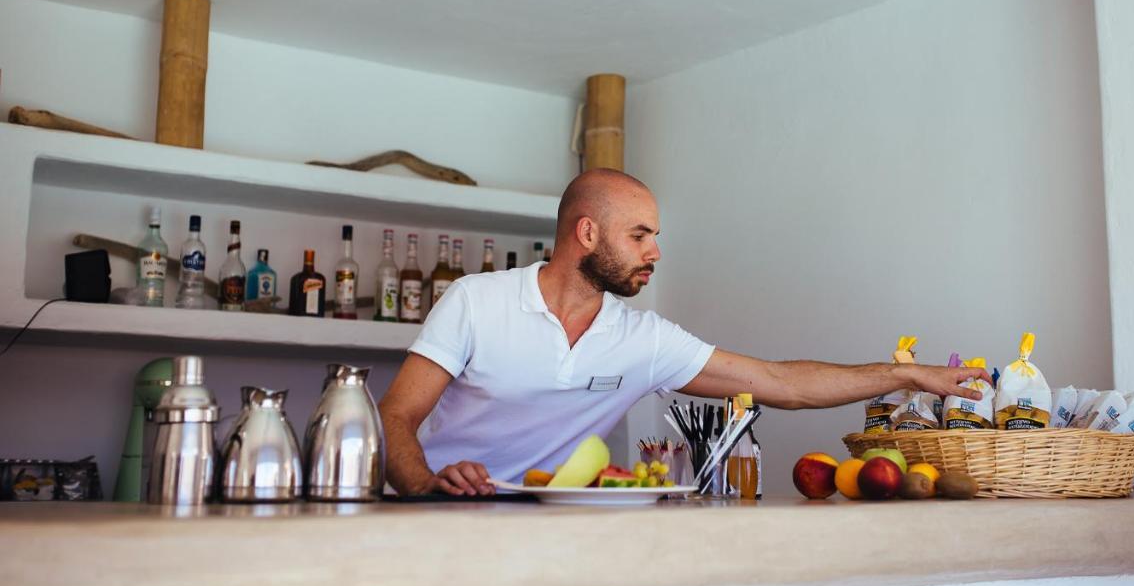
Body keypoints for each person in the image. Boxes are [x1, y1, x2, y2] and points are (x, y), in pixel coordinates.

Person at [379, 169, 990, 496]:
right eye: (640, 236)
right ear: (587, 234)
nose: (656, 252)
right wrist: (424, 486)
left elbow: (782, 383)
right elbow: (396, 416)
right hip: (437, 514)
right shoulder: (476, 301)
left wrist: (908, 373)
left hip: (556, 526)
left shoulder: (645, 339)